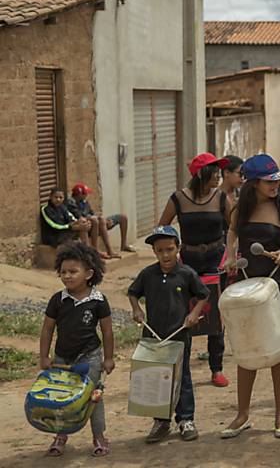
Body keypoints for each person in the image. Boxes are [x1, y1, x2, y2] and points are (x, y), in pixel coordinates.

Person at [221, 154, 280, 440]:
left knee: (278, 349)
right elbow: (232, 232)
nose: (275, 185)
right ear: (253, 183)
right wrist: (230, 256)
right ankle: (242, 415)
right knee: (245, 347)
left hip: (278, 282)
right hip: (247, 282)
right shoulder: (240, 209)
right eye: (269, 181)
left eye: (277, 180)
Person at [127, 225, 209, 444]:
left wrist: (194, 313)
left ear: (178, 248)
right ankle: (161, 421)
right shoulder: (148, 274)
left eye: (170, 249)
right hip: (154, 336)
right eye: (160, 250)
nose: (165, 255)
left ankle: (186, 419)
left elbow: (203, 294)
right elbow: (133, 293)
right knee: (158, 378)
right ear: (154, 251)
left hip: (179, 336)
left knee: (182, 377)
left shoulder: (186, 273)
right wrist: (137, 310)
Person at [158, 152, 233, 388]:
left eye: (220, 172)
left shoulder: (221, 198)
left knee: (215, 315)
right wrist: (168, 254)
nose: (219, 176)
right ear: (201, 174)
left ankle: (216, 368)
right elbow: (162, 228)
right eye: (214, 172)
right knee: (184, 314)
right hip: (187, 261)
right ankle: (183, 368)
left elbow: (235, 228)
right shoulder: (178, 199)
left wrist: (232, 255)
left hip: (216, 260)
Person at [39, 241, 114, 457]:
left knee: (93, 397)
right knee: (61, 397)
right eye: (63, 272)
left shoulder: (98, 301)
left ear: (89, 274)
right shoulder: (58, 300)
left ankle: (99, 437)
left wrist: (108, 358)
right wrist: (44, 356)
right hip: (62, 358)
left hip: (89, 357)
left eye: (73, 272)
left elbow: (107, 331)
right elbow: (47, 329)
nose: (67, 276)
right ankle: (60, 436)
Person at [67, 183, 133, 258]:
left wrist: (101, 218)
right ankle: (103, 250)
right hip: (85, 225)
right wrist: (96, 217)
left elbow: (91, 213)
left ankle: (123, 245)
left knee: (122, 217)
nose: (87, 195)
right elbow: (79, 217)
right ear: (79, 195)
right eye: (85, 194)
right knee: (97, 220)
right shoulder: (71, 203)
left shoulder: (84, 202)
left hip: (94, 222)